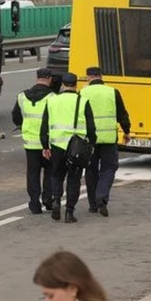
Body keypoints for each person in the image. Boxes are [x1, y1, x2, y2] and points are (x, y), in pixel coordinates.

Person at [40, 73, 96, 223]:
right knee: (74, 179)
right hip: (76, 147)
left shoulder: (52, 101)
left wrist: (45, 145)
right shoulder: (83, 101)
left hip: (57, 145)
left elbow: (44, 125)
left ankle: (57, 200)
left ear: (63, 85)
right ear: (76, 85)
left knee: (57, 175)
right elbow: (91, 127)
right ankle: (69, 212)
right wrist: (92, 144)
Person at [80, 66, 131, 217]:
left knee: (91, 170)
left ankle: (93, 205)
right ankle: (101, 196)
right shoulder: (112, 92)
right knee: (109, 168)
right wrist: (126, 131)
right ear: (101, 76)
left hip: (89, 140)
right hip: (109, 138)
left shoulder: (82, 93)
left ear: (88, 77)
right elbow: (122, 114)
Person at [13, 68, 57, 214]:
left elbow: (16, 118)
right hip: (48, 143)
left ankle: (34, 203)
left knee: (32, 172)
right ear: (49, 79)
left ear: (37, 78)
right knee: (50, 171)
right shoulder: (52, 98)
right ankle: (48, 198)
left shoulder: (22, 96)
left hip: (30, 142)